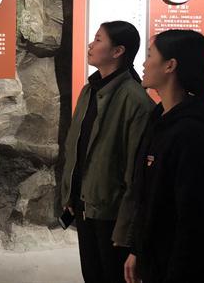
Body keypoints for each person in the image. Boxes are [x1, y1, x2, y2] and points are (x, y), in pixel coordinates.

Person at [124, 30, 204, 283]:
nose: (144, 63)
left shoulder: (190, 133)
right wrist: (137, 249)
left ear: (170, 65)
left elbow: (193, 220)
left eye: (150, 55)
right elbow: (148, 197)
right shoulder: (159, 119)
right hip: (156, 258)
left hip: (179, 268)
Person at [61, 21, 154, 283]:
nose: (91, 45)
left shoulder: (135, 101)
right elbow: (77, 147)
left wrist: (128, 229)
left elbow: (135, 173)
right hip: (85, 205)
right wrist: (70, 193)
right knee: (92, 275)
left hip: (112, 214)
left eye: (99, 39)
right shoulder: (89, 91)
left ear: (118, 51)